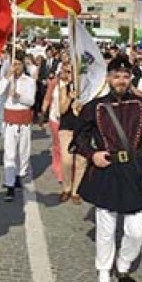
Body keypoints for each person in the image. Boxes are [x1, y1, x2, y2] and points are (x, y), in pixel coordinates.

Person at [73, 56, 142, 282]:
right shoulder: (94, 106)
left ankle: (124, 265)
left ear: (130, 78)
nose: (121, 80)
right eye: (116, 76)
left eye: (125, 76)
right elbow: (79, 139)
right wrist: (92, 154)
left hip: (134, 170)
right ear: (108, 78)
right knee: (106, 228)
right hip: (107, 169)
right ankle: (103, 275)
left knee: (137, 229)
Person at [0, 58, 36, 202]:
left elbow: (31, 101)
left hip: (24, 120)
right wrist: (7, 78)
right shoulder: (7, 79)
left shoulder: (29, 81)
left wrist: (18, 96)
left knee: (23, 152)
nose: (16, 67)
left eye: (19, 64)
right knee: (9, 153)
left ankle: (20, 175)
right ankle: (9, 185)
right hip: (10, 121)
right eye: (14, 64)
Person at [57, 64, 86, 204]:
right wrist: (69, 97)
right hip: (67, 127)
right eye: (68, 72)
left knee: (81, 161)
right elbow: (62, 110)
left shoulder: (88, 89)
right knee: (66, 160)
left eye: (73, 72)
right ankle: (66, 188)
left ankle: (76, 190)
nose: (71, 75)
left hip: (83, 128)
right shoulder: (64, 88)